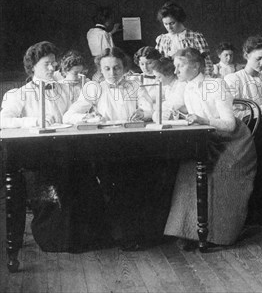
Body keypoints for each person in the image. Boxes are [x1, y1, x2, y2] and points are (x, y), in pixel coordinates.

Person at [1, 41, 109, 253]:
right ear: (32, 67)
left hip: (69, 153)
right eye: (47, 64)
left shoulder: (66, 90)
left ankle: (87, 237)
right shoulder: (19, 94)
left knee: (84, 180)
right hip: (38, 157)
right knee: (56, 184)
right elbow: (3, 120)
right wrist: (33, 121)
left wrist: (88, 116)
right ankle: (58, 239)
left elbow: (76, 112)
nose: (53, 68)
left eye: (54, 63)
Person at [64, 47, 174, 250]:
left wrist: (142, 113)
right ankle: (124, 236)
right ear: (100, 70)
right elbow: (69, 115)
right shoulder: (94, 88)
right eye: (107, 69)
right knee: (116, 187)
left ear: (124, 68)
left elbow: (149, 108)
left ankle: (143, 234)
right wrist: (88, 117)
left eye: (117, 68)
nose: (112, 73)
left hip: (135, 143)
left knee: (140, 184)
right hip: (106, 146)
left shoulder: (134, 85)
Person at [164, 48, 256, 248]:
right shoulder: (184, 86)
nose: (176, 69)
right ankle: (192, 232)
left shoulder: (215, 84)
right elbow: (166, 108)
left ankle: (218, 235)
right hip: (205, 140)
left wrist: (202, 119)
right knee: (188, 174)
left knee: (219, 177)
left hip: (233, 143)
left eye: (180, 65)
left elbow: (230, 124)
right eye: (175, 65)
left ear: (196, 66)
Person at [225, 36, 262, 117]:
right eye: (258, 58)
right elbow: (233, 114)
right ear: (246, 55)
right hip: (248, 128)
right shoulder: (234, 79)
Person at [155, 1, 213, 75]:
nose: (169, 27)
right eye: (165, 24)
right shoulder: (162, 40)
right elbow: (158, 64)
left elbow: (207, 62)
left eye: (172, 23)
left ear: (180, 20)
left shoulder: (195, 37)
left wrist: (206, 80)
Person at [151, 56, 187, 122]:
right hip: (178, 117)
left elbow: (175, 104)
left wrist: (159, 108)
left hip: (186, 119)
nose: (156, 80)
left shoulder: (181, 85)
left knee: (157, 116)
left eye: (159, 77)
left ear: (168, 75)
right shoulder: (168, 88)